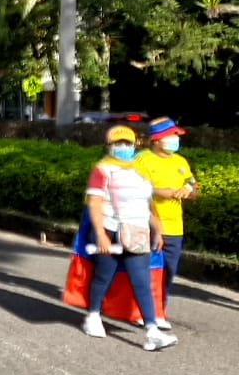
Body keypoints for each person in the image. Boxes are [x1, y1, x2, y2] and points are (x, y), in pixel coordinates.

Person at [82, 126, 178, 351]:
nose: (123, 147)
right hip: (110, 229)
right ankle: (93, 316)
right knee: (103, 277)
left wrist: (158, 229)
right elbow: (95, 203)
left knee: (142, 281)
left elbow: (147, 203)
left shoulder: (140, 171)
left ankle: (152, 331)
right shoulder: (102, 170)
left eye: (127, 143)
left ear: (135, 145)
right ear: (109, 146)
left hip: (138, 234)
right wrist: (101, 235)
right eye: (118, 143)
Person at [135, 117, 197, 329]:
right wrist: (158, 191)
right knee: (147, 269)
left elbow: (194, 187)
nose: (175, 139)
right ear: (157, 140)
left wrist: (189, 190)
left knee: (168, 271)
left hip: (175, 227)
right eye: (171, 136)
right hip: (147, 224)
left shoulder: (180, 162)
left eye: (176, 135)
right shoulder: (142, 160)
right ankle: (143, 310)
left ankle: (159, 310)